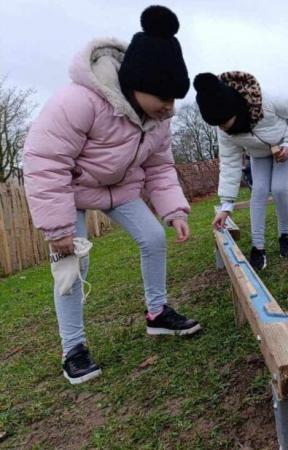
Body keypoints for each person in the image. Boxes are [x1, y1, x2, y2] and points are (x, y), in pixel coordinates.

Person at [22, 6, 201, 385]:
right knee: (72, 268)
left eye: (175, 99)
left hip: (118, 189)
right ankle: (74, 349)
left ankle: (157, 315)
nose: (171, 107)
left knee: (154, 238)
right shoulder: (79, 101)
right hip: (70, 190)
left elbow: (160, 168)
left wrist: (174, 211)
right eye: (164, 97)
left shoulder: (159, 121)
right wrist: (57, 229)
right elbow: (44, 161)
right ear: (137, 83)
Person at [194, 72, 288, 271]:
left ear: (237, 109)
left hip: (284, 146)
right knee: (259, 191)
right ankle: (258, 247)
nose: (224, 129)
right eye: (220, 126)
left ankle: (285, 237)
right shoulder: (223, 130)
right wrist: (226, 205)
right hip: (259, 154)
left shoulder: (266, 101)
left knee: (279, 188)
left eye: (227, 123)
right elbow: (230, 163)